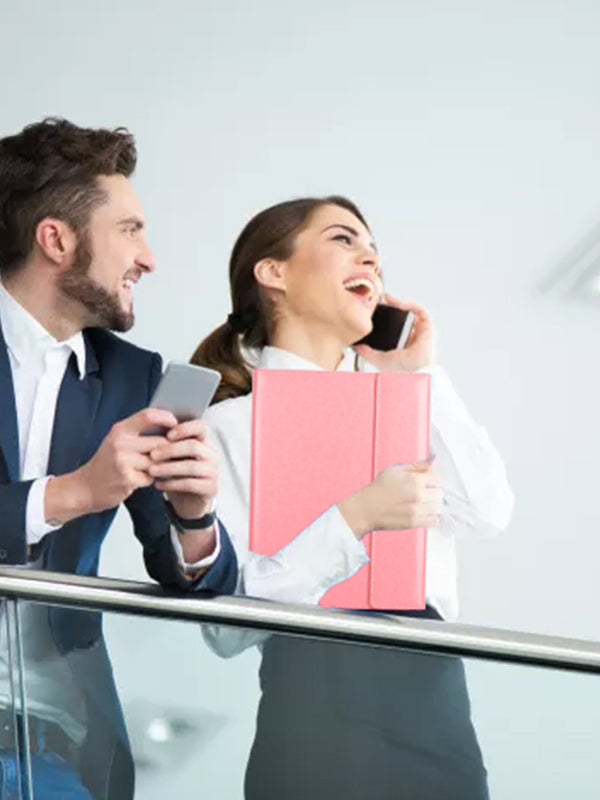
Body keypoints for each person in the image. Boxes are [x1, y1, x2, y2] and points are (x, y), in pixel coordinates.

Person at [192, 196, 514, 799]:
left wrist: (419, 376)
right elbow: (224, 628)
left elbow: (487, 511)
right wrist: (355, 518)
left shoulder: (407, 408)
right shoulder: (228, 427)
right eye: (343, 239)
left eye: (374, 250)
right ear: (274, 272)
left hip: (435, 696)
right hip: (315, 697)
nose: (370, 257)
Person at [0, 118, 237, 800]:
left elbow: (198, 586)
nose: (149, 258)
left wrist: (194, 517)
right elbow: (79, 493)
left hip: (55, 750)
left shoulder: (133, 377)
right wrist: (72, 493)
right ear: (56, 239)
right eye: (129, 229)